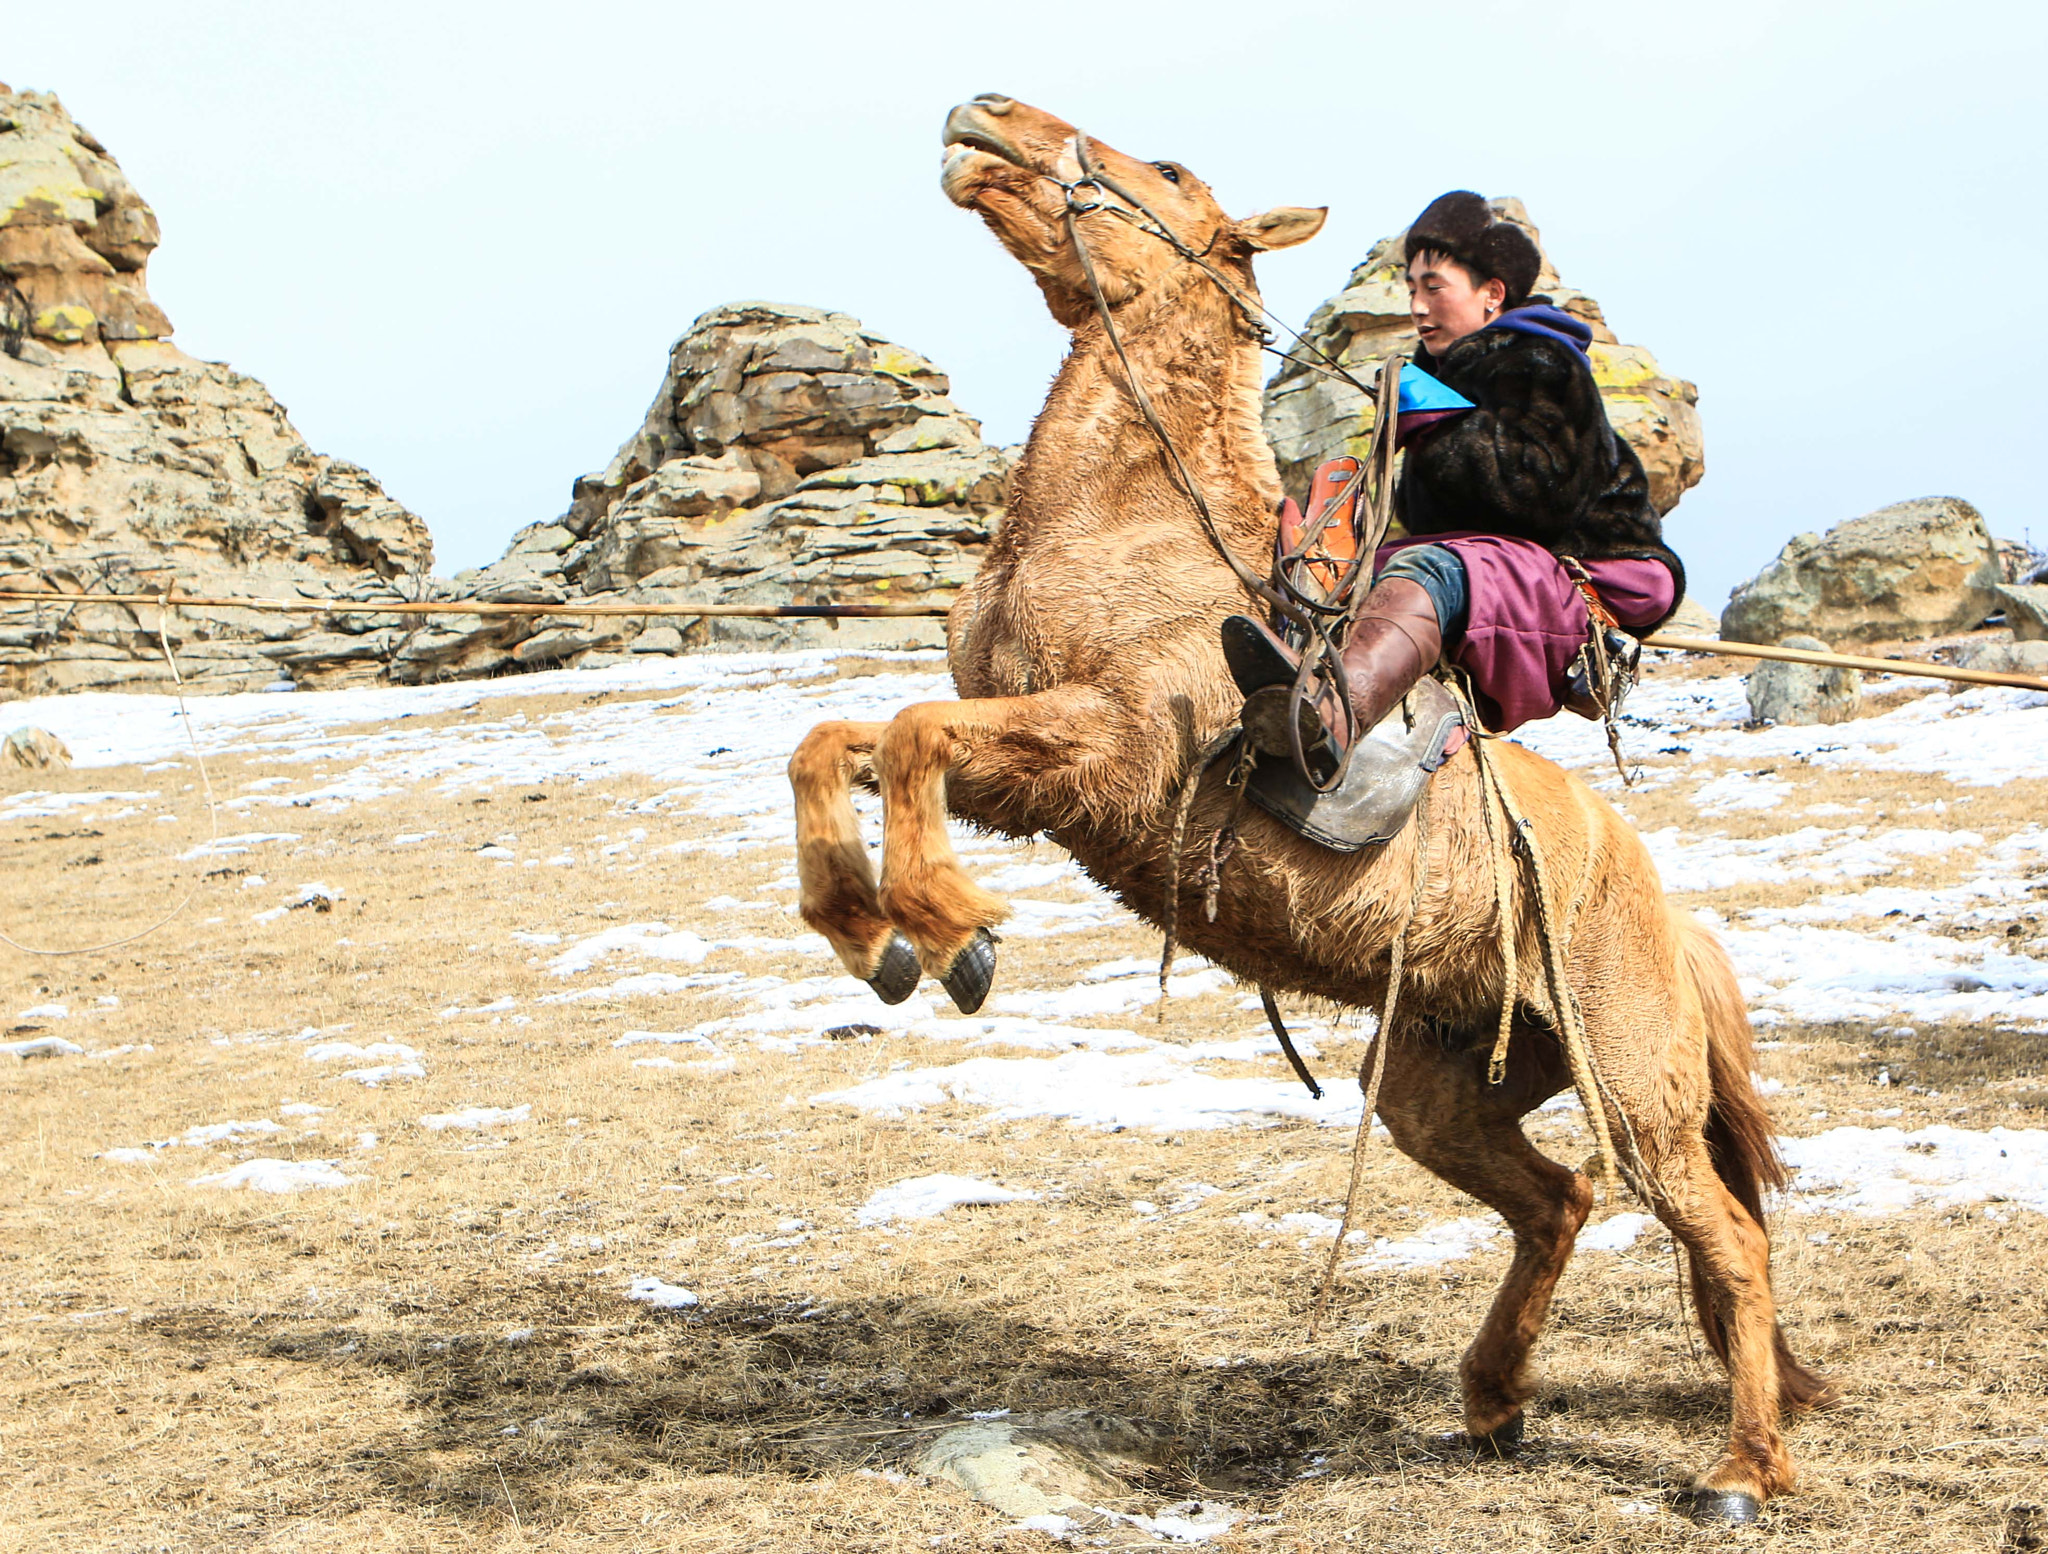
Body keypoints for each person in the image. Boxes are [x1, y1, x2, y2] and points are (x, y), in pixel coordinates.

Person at [1222, 191, 1686, 761]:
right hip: (1508, 565)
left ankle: (1327, 720)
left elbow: (1537, 495)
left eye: (1434, 287)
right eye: (1410, 288)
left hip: (1593, 572)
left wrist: (1435, 424)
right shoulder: (1450, 376)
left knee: (1429, 567)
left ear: (1492, 294)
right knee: (1343, 569)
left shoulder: (1541, 360)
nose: (1417, 306)